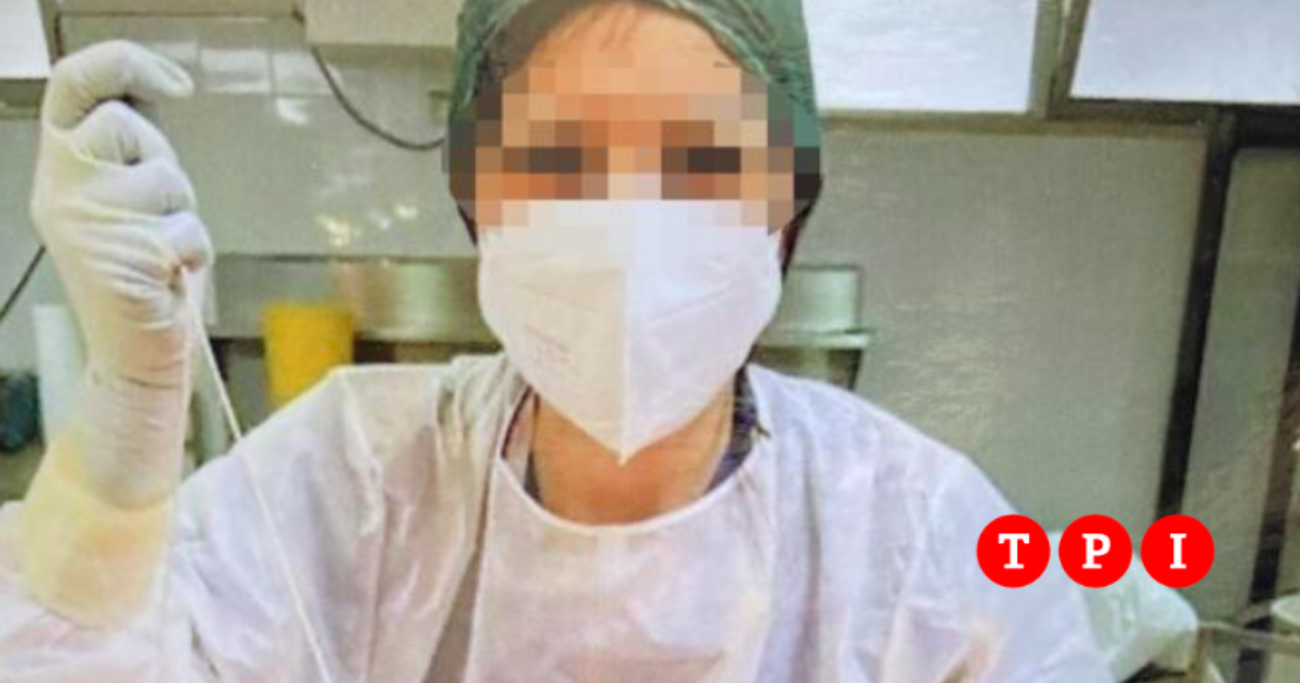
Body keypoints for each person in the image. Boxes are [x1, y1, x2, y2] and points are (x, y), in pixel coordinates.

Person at [0, 0, 1111, 681]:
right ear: (478, 200)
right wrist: (119, 440)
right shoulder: (352, 483)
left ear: (788, 204)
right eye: (560, 161)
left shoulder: (915, 537)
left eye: (702, 161)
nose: (630, 227)